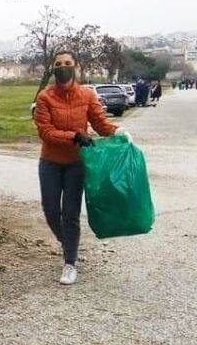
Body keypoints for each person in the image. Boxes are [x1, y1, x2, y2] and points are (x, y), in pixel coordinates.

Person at [33, 51, 132, 285]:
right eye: (58, 64)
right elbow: (45, 132)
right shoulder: (45, 97)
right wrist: (74, 136)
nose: (63, 67)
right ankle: (68, 242)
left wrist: (117, 131)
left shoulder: (86, 95)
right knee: (50, 211)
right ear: (53, 68)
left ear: (76, 66)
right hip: (50, 163)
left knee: (71, 214)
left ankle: (70, 263)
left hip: (77, 164)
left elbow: (99, 122)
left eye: (67, 63)